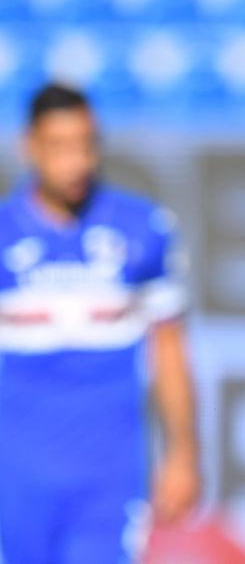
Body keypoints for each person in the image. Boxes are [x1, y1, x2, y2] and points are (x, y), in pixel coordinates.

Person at [0, 84, 200, 563]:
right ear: (30, 146)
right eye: (60, 146)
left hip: (108, 477)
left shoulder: (141, 229)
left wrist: (184, 453)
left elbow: (169, 351)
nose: (76, 161)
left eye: (86, 144)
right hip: (17, 474)